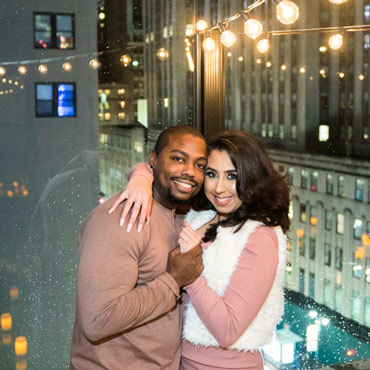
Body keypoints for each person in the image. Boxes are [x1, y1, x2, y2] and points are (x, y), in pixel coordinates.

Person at [112, 130, 290, 370]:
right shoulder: (199, 217)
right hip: (179, 360)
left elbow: (228, 330)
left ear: (251, 178)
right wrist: (141, 177)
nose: (218, 188)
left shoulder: (260, 236)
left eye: (232, 176)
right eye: (211, 174)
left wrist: (189, 272)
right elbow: (163, 169)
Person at [69, 125, 208, 370]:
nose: (190, 172)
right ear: (153, 159)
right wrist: (173, 281)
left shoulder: (173, 213)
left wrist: (141, 173)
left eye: (199, 165)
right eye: (178, 159)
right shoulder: (121, 219)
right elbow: (98, 321)